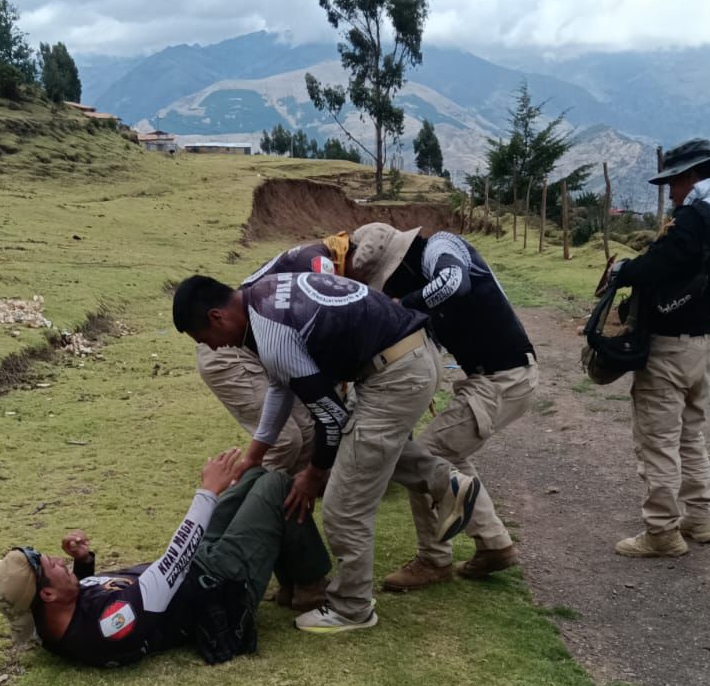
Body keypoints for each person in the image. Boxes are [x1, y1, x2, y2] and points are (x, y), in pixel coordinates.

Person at [173, 271, 479, 635]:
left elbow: (331, 418)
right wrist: (255, 454)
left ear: (216, 317)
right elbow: (280, 387)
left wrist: (314, 474)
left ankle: (352, 609)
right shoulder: (262, 298)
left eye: (205, 339)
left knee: (344, 504)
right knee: (368, 450)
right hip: (410, 356)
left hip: (394, 375)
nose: (213, 348)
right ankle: (445, 481)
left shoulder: (270, 335)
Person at [0, 450, 331, 668]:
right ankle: (310, 586)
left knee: (255, 476)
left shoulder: (45, 619)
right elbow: (171, 565)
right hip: (220, 583)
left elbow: (69, 604)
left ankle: (291, 585)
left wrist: (83, 563)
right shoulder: (109, 625)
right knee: (277, 484)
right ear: (47, 594)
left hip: (197, 566)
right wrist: (207, 493)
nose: (58, 561)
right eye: (52, 566)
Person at [347, 223, 538, 591]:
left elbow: (455, 282)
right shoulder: (425, 278)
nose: (391, 289)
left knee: (426, 457)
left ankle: (434, 559)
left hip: (505, 379)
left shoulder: (441, 248)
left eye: (390, 279)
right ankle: (494, 544)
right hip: (495, 378)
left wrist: (403, 304)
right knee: (449, 458)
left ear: (400, 261)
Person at [605, 138, 710, 557]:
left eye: (673, 183)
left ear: (691, 176)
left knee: (657, 439)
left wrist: (625, 270)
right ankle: (701, 517)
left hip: (670, 346)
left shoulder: (695, 216)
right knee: (690, 433)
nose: (671, 193)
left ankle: (661, 531)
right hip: (705, 340)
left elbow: (659, 264)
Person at [193, 233, 351, 474]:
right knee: (284, 441)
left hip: (267, 346)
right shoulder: (319, 267)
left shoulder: (320, 258)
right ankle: (237, 495)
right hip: (229, 348)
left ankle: (290, 493)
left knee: (308, 433)